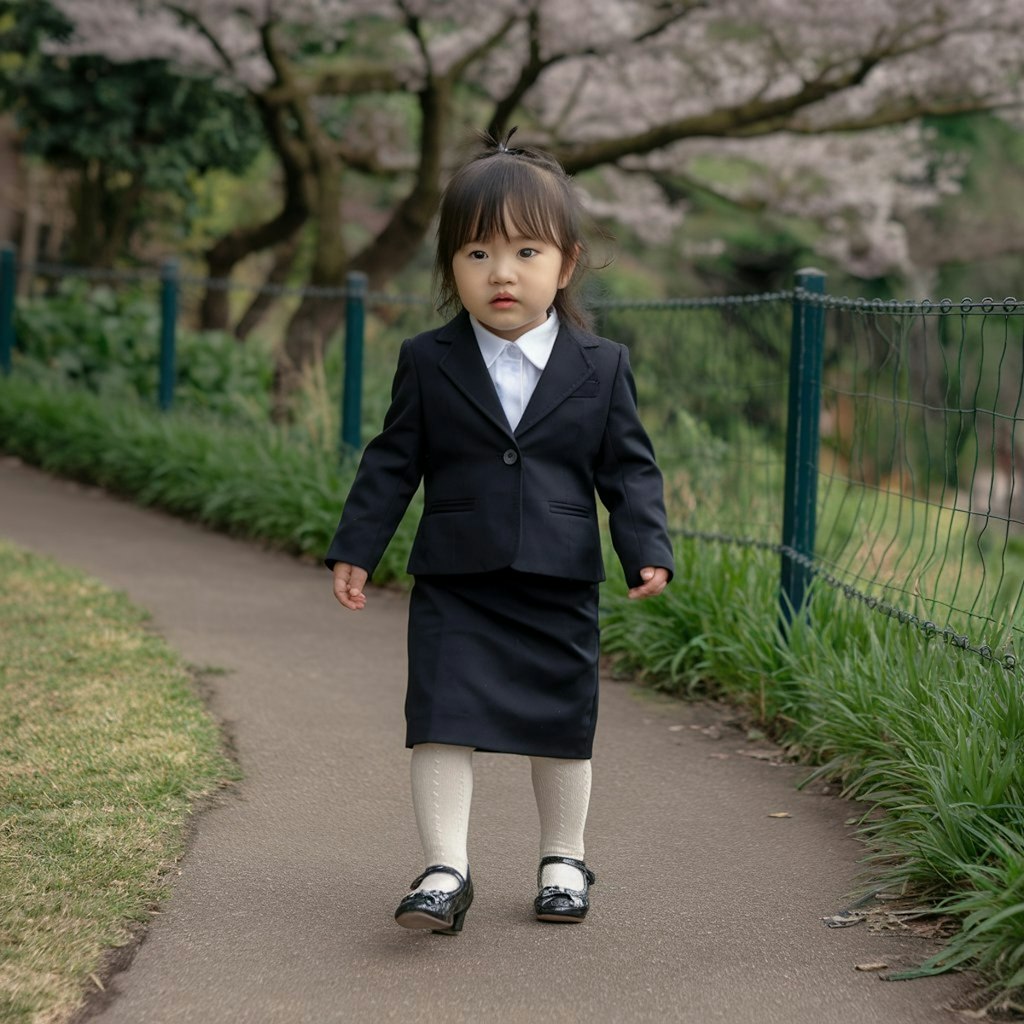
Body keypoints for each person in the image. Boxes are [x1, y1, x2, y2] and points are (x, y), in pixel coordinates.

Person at [325, 128, 674, 935]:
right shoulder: (427, 359)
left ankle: (562, 859)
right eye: (477, 253)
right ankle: (445, 869)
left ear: (568, 262)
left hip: (559, 575)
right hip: (455, 573)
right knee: (441, 715)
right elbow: (392, 460)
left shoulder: (602, 365)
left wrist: (645, 544)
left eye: (525, 251)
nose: (502, 272)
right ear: (450, 266)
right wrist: (357, 545)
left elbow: (629, 468)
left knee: (561, 720)